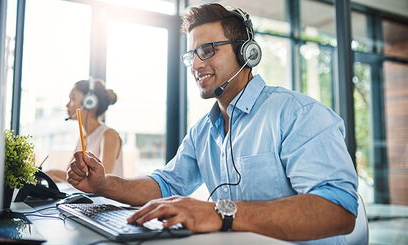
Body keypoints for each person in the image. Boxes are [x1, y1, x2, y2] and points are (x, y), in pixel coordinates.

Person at [67, 3, 358, 244]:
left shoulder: (297, 114)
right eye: (191, 54)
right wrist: (104, 185)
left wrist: (220, 212)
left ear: (247, 53)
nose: (195, 65)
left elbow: (337, 210)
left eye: (207, 50)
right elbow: (166, 183)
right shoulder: (204, 130)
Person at [46, 79, 123, 182]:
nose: (67, 105)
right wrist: (51, 174)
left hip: (105, 198)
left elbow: (102, 180)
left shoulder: (109, 135)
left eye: (72, 99)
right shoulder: (84, 137)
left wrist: (56, 176)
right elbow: (71, 175)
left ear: (89, 102)